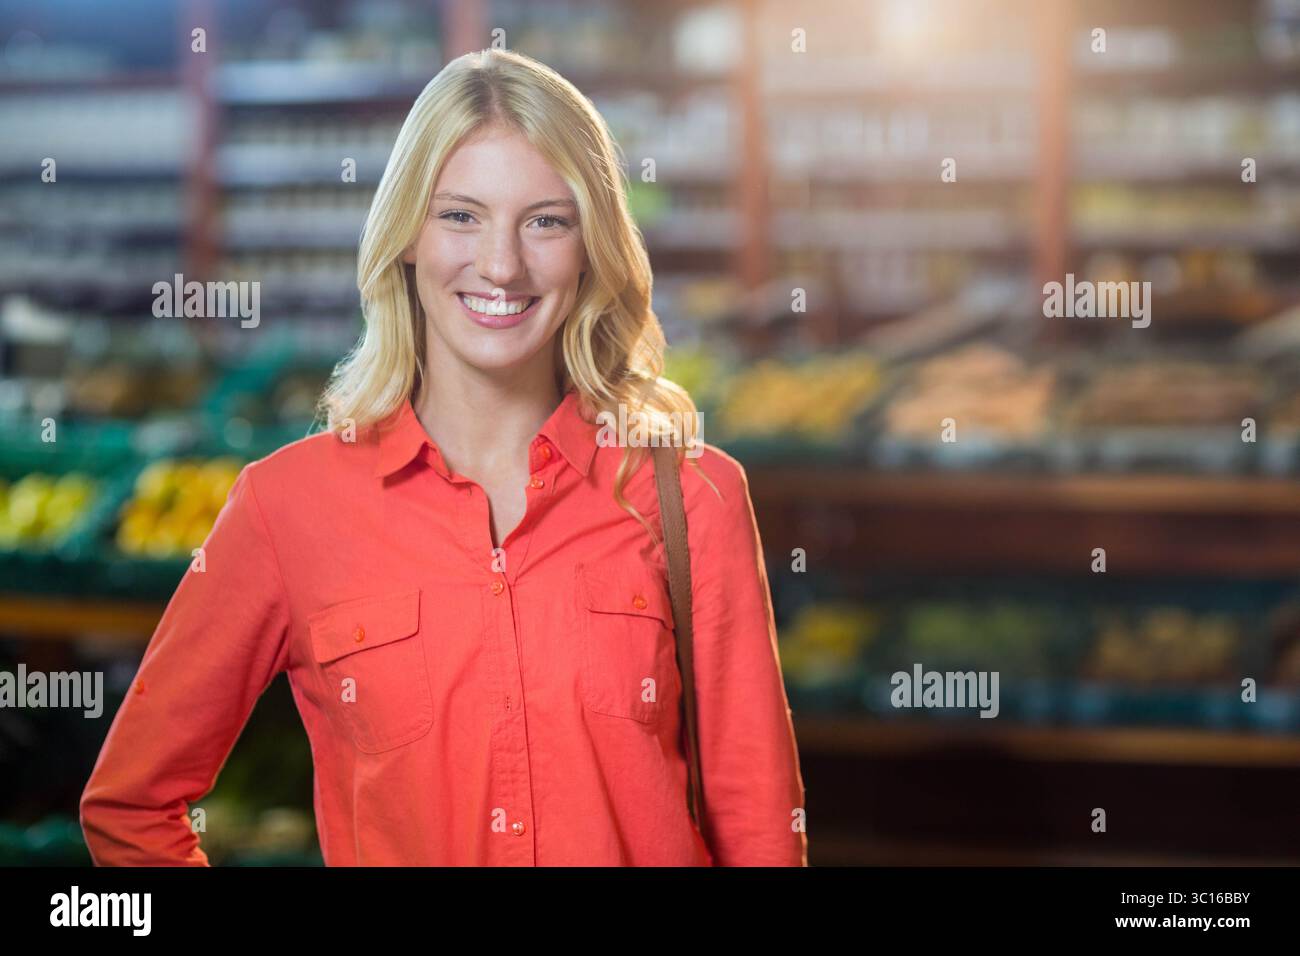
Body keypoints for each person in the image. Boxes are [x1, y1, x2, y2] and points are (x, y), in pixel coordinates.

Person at [80, 48, 807, 866]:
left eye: (546, 220)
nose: (501, 264)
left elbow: (761, 831)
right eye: (460, 215)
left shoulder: (692, 491)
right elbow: (131, 806)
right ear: (406, 238)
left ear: (591, 245)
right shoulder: (287, 508)